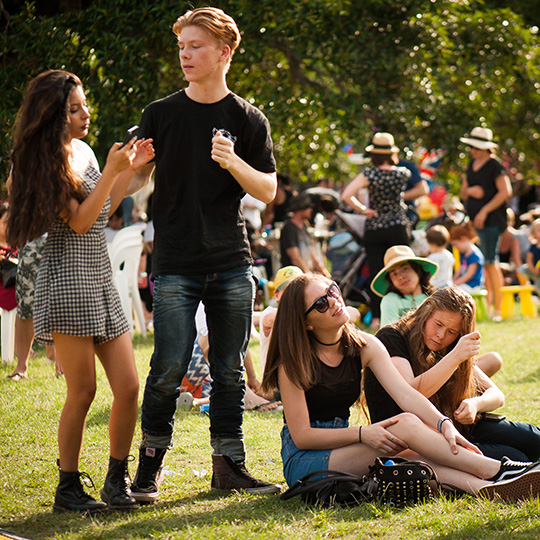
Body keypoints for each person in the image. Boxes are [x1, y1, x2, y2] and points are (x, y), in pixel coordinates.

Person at [125, 7, 280, 501]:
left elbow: (269, 189)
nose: (185, 55)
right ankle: (148, 467)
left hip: (233, 261)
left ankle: (228, 466)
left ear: (224, 53)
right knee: (168, 365)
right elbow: (132, 183)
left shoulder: (248, 118)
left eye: (194, 46)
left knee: (230, 369)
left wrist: (234, 162)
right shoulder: (160, 113)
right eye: (182, 47)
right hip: (173, 262)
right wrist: (134, 168)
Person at [7, 69, 155, 513]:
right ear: (54, 115)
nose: (86, 114)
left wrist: (139, 167)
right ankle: (68, 487)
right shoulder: (41, 161)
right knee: (83, 391)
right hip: (67, 281)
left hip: (99, 277)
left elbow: (108, 204)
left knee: (129, 388)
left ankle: (115, 480)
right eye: (74, 109)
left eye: (84, 104)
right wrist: (112, 170)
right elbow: (79, 221)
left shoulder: (85, 150)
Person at [261, 273, 540, 500]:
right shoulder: (292, 362)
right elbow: (303, 437)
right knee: (406, 425)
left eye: (332, 291)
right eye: (321, 304)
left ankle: (487, 489)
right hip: (306, 460)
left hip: (348, 445)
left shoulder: (364, 344)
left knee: (419, 458)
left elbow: (407, 394)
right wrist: (362, 433)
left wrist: (444, 425)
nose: (334, 301)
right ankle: (498, 470)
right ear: (307, 323)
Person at [364, 286, 539, 462]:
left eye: (452, 331)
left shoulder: (448, 345)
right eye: (438, 324)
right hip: (412, 441)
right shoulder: (392, 337)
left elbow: (497, 395)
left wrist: (475, 403)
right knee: (517, 457)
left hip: (458, 427)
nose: (440, 335)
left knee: (533, 440)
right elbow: (412, 395)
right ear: (425, 313)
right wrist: (454, 357)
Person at [342, 132, 411, 329]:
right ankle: (408, 313)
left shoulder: (369, 174)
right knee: (404, 268)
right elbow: (422, 189)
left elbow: (347, 194)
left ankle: (376, 318)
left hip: (375, 227)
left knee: (376, 273)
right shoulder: (402, 173)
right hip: (398, 226)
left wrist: (363, 210)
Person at [459, 127, 512, 321]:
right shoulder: (471, 164)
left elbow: (506, 191)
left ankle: (497, 309)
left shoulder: (494, 165)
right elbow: (464, 192)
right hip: (476, 222)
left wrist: (484, 210)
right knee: (487, 264)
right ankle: (490, 306)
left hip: (491, 221)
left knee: (491, 263)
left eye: (475, 146)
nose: (472, 150)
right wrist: (472, 192)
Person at [371, 245, 437, 328]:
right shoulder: (390, 300)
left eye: (405, 268)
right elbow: (388, 335)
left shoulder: (433, 299)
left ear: (417, 269)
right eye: (394, 274)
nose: (401, 277)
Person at [279, 193, 330, 276]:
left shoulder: (304, 228)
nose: (311, 210)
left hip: (306, 275)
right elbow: (295, 258)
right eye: (308, 207)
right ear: (301, 208)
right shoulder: (289, 229)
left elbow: (313, 255)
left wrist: (325, 274)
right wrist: (309, 276)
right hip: (294, 277)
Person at [450, 224, 485, 293]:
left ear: (463, 238)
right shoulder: (463, 253)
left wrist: (455, 284)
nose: (456, 247)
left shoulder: (474, 255)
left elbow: (469, 274)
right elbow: (459, 269)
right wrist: (452, 281)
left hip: (473, 285)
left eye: (456, 244)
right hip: (465, 284)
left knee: (456, 292)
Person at [426, 224, 455, 289]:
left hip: (436, 286)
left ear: (432, 244)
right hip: (448, 284)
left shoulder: (433, 257)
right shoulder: (449, 254)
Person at [517, 218, 540, 293]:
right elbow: (529, 259)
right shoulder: (533, 246)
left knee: (539, 287)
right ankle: (525, 286)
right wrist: (532, 268)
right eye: (539, 230)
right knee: (521, 269)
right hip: (534, 270)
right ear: (533, 233)